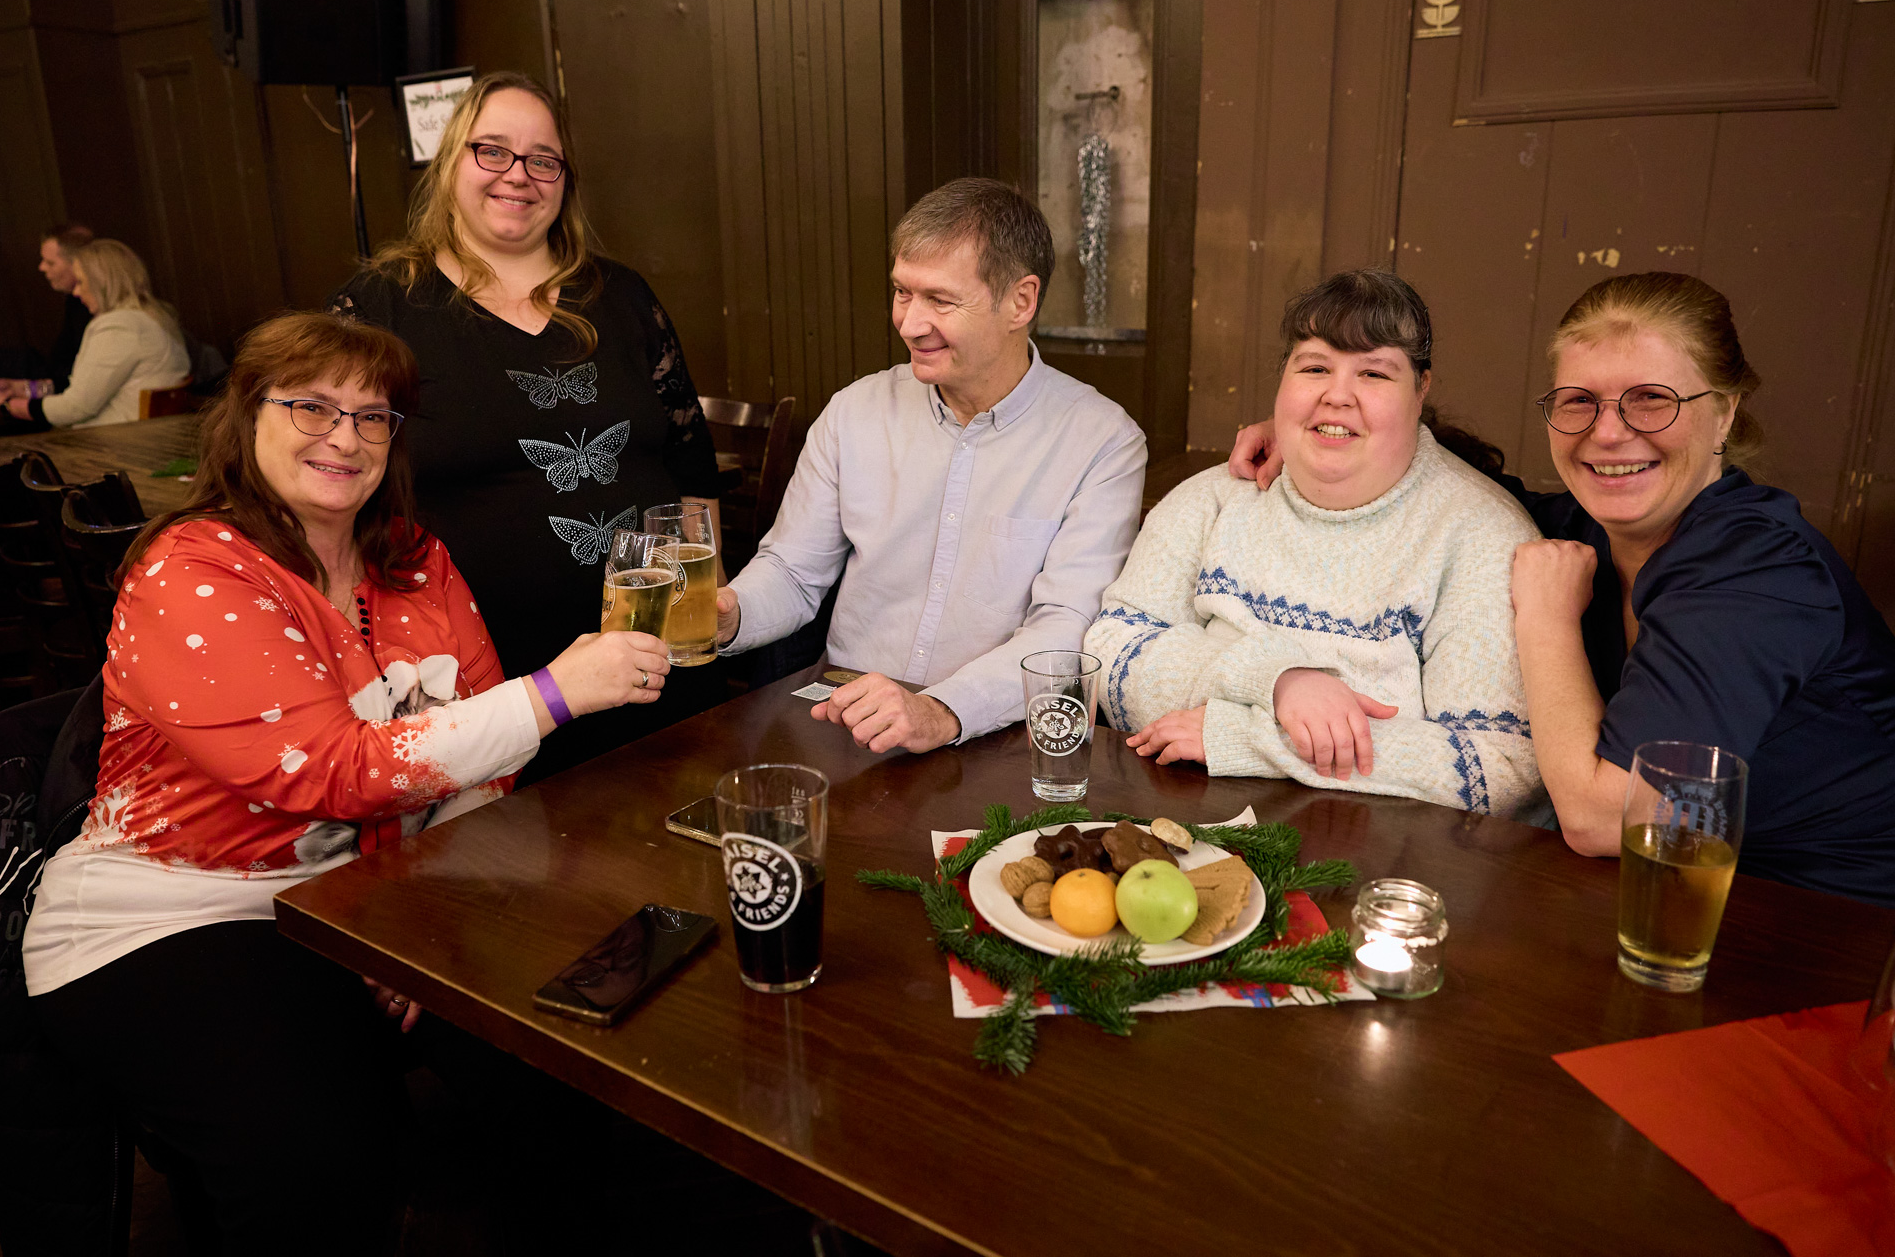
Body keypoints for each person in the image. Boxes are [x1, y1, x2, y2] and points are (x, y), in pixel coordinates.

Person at [22, 311, 671, 1252]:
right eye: (312, 406)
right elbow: (331, 770)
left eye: (373, 417)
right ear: (247, 414)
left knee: (563, 1053)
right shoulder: (191, 570)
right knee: (320, 1161)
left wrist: (412, 924)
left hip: (363, 894)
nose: (346, 436)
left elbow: (488, 762)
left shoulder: (414, 558)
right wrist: (557, 693)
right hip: (173, 911)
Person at [1228, 273, 1895, 906]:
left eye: (1652, 399)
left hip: (1830, 926)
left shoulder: (1755, 569)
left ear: (1724, 412)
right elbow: (1454, 483)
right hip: (1651, 897)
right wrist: (1324, 436)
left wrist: (1546, 618)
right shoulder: (1585, 528)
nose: (1608, 432)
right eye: (1579, 401)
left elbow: (1604, 820)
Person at [330, 70, 726, 785]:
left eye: (544, 159)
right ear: (451, 161)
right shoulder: (382, 306)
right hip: (480, 687)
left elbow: (691, 464)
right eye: (492, 150)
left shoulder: (623, 295)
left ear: (565, 181)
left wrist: (707, 609)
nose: (519, 174)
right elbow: (328, 480)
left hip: (654, 665)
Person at [1088, 269, 1544, 818]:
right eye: (1315, 368)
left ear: (1421, 389)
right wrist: (1277, 679)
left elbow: (1500, 766)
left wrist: (1255, 739)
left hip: (1384, 850)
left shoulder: (1481, 534)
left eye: (1374, 373)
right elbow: (1109, 653)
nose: (1337, 395)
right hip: (1184, 821)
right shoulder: (1212, 500)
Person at [713, 178, 1147, 752]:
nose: (909, 323)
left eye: (940, 300)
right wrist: (729, 613)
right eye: (902, 292)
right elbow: (793, 573)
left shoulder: (1102, 441)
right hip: (844, 717)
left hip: (993, 737)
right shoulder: (854, 412)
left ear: (1021, 302)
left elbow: (1064, 628)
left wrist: (941, 710)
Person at [0, 238, 189, 429]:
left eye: (80, 282)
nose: (76, 292)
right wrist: (21, 388)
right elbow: (82, 389)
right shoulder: (156, 316)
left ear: (102, 283)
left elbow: (75, 407)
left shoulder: (118, 327)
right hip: (144, 435)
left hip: (116, 444)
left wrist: (5, 405)